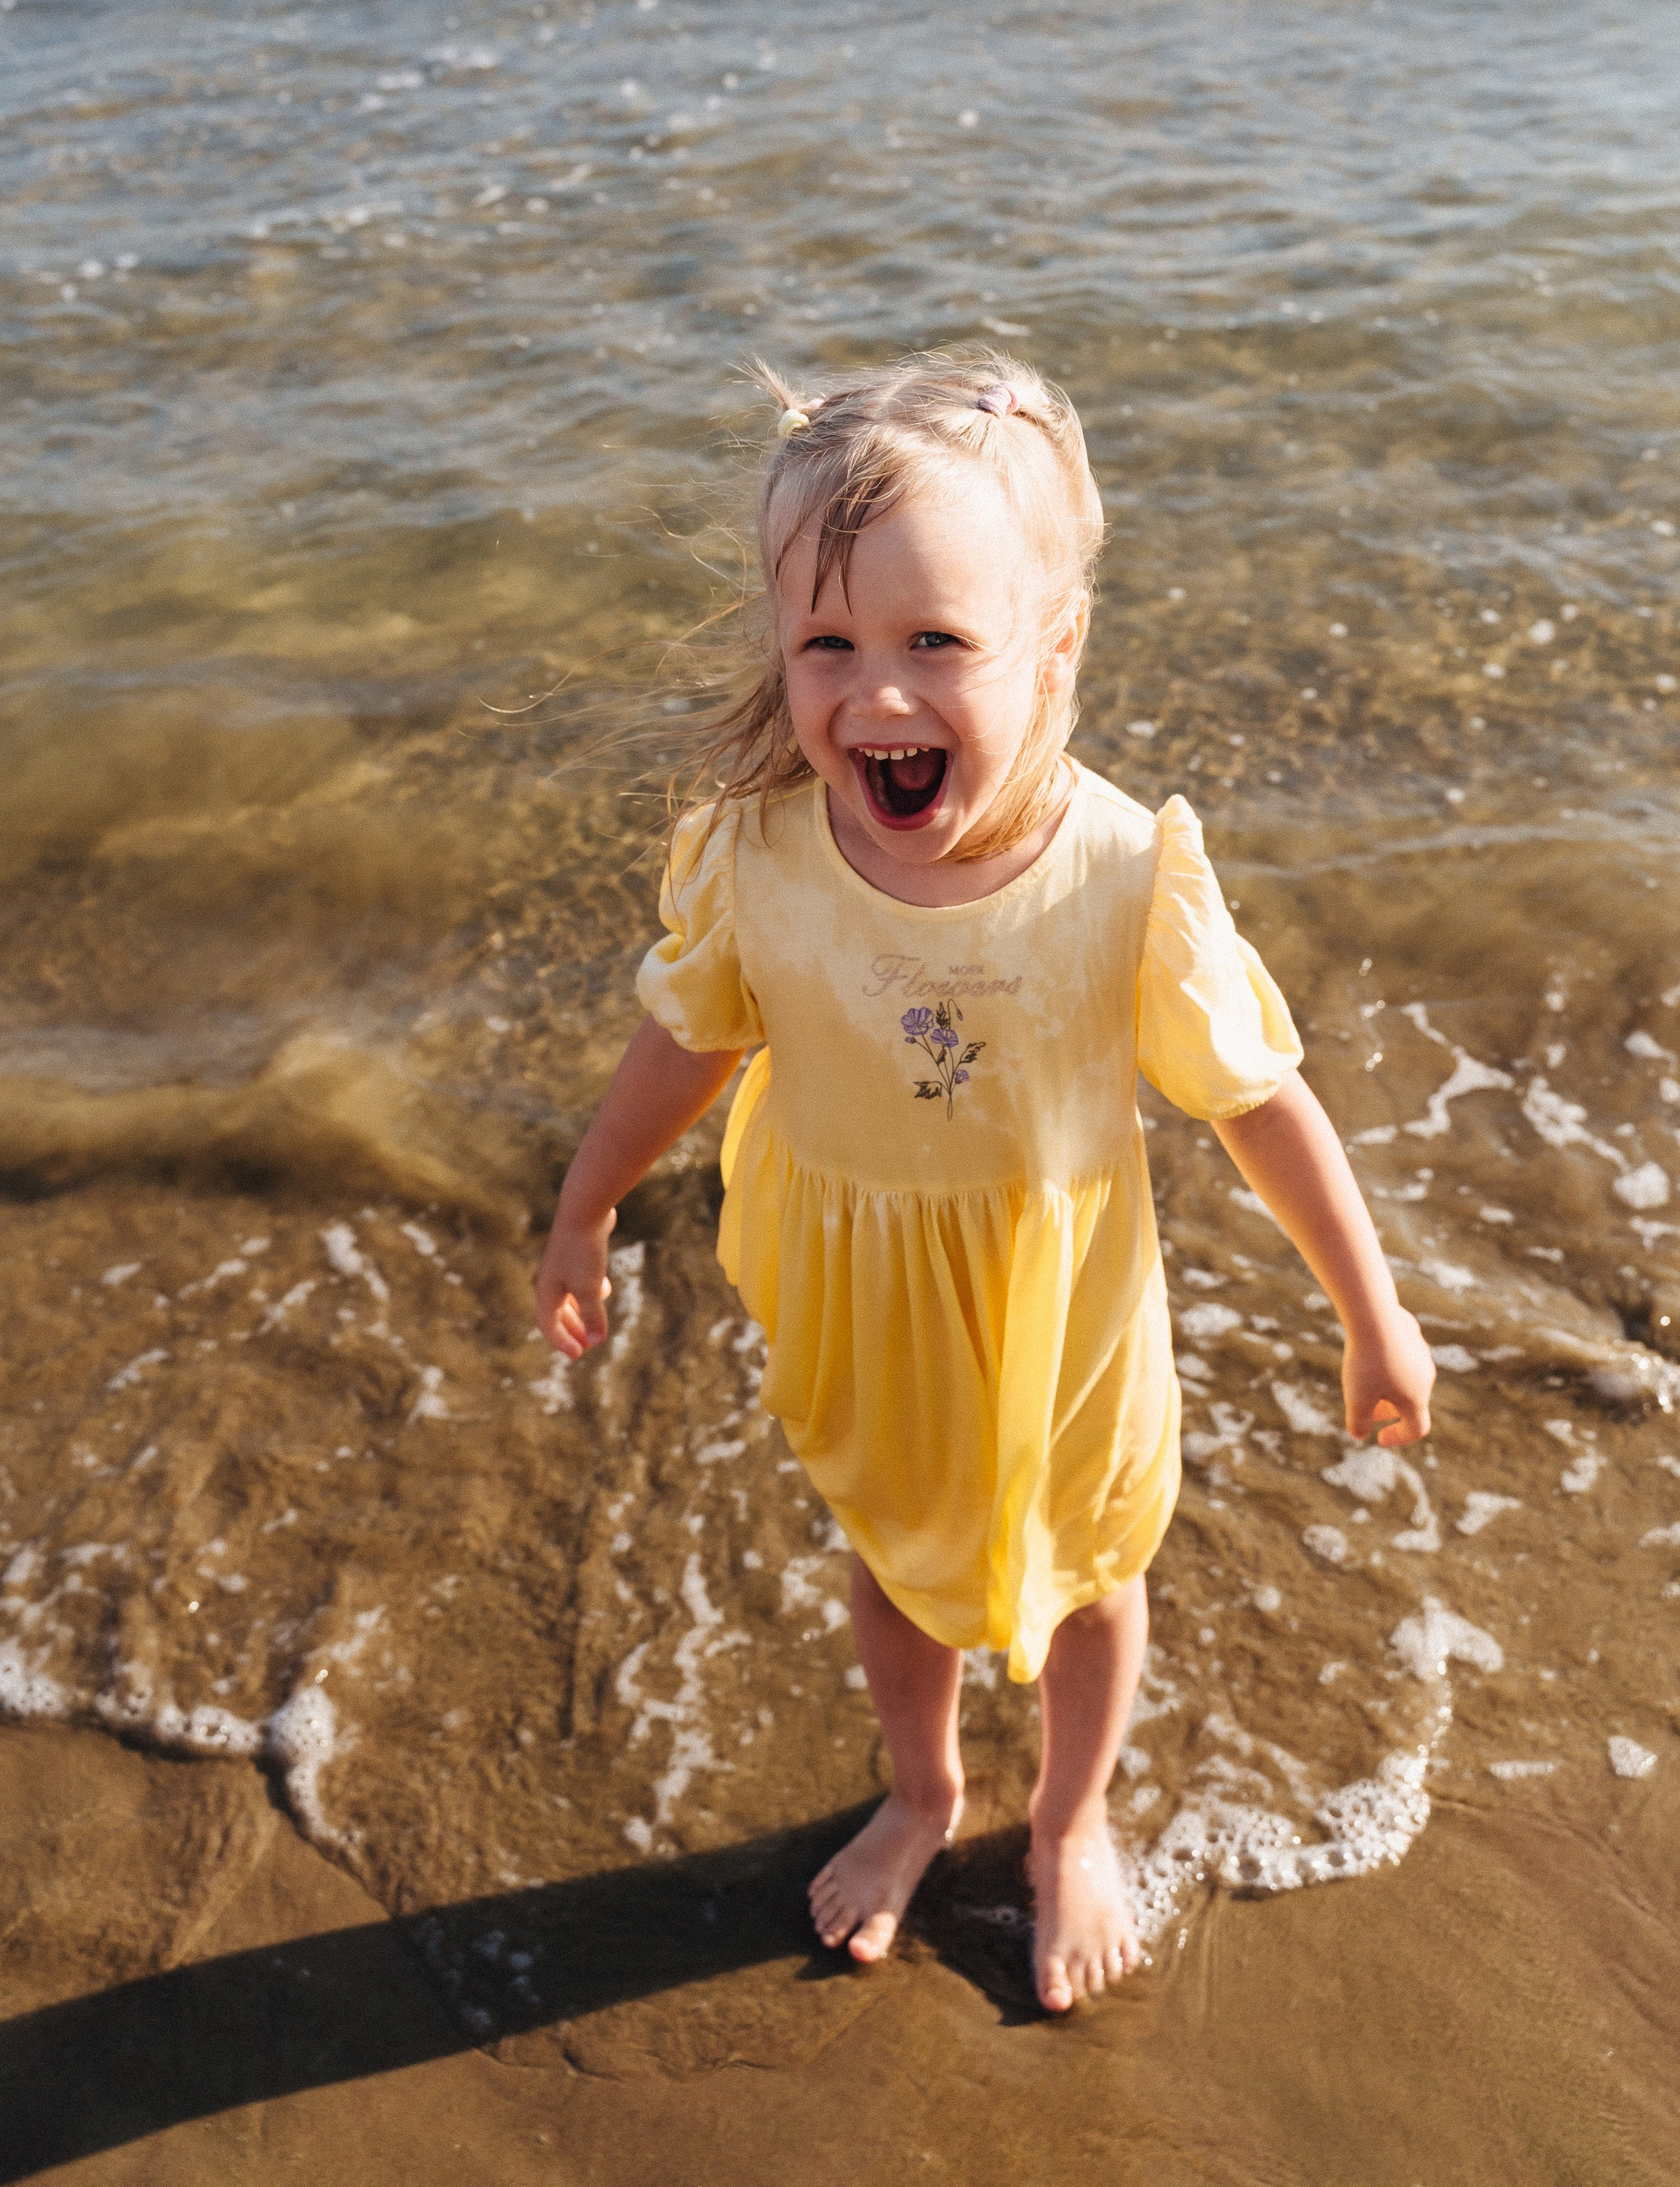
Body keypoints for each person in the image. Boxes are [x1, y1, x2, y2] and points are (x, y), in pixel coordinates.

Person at [534, 354, 1434, 2014]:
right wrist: (587, 1201)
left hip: (1064, 1306)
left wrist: (1368, 1313)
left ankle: (1067, 1821)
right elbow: (688, 1043)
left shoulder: (1117, 877)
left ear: (1052, 647)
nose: (874, 698)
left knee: (1092, 1572)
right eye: (828, 646)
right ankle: (924, 1790)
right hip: (862, 1292)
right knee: (894, 1552)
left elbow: (1256, 1101)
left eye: (933, 645)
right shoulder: (760, 853)